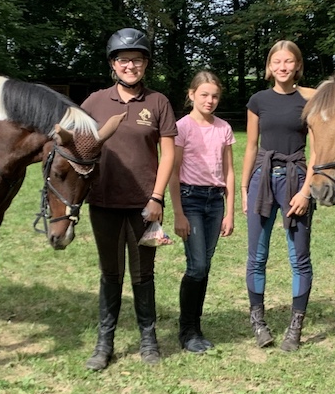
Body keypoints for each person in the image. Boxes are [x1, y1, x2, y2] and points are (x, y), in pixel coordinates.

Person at [81, 28, 177, 370]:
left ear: (146, 64)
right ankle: (104, 343)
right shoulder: (94, 102)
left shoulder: (158, 102)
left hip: (144, 206)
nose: (130, 66)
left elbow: (168, 154)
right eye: (124, 60)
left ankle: (148, 340)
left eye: (137, 60)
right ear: (113, 64)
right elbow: (77, 146)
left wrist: (157, 198)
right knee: (110, 274)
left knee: (143, 274)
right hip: (102, 203)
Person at [241, 40, 317, 352]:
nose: (282, 67)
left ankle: (295, 326)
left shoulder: (309, 101)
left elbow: (317, 152)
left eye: (288, 61)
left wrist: (306, 192)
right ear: (269, 66)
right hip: (261, 180)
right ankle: (258, 322)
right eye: (277, 62)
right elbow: (250, 146)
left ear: (297, 65)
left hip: (296, 179)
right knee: (257, 256)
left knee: (299, 258)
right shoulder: (258, 100)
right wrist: (244, 189)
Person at [169, 70, 236, 353]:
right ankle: (187, 330)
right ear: (191, 95)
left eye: (215, 96)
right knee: (196, 266)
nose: (210, 100)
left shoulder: (224, 128)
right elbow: (173, 171)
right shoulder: (181, 127)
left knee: (204, 266)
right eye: (204, 95)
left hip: (215, 202)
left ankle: (195, 326)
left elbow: (229, 171)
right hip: (191, 200)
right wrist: (178, 213)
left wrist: (230, 212)